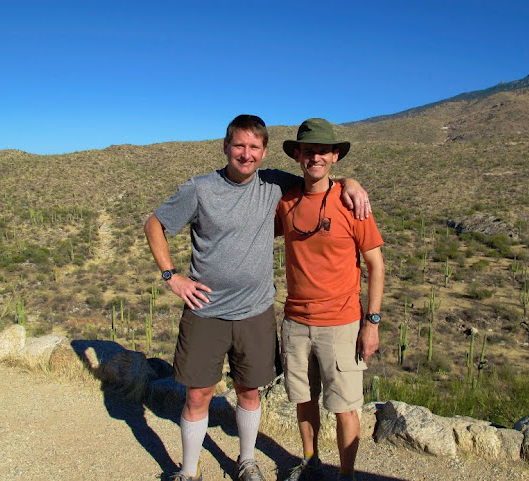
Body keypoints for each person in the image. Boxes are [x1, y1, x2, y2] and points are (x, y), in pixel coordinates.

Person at [143, 114, 371, 481]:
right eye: (239, 146)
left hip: (255, 312)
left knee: (249, 392)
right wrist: (172, 277)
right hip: (206, 312)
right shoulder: (200, 189)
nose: (245, 154)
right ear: (226, 147)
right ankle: (188, 470)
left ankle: (247, 462)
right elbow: (155, 223)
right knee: (198, 395)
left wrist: (351, 183)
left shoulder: (274, 184)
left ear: (264, 152)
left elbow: (318, 181)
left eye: (253, 147)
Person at [275, 118, 385, 481]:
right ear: (298, 156)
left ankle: (347, 475)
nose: (315, 157)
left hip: (341, 323)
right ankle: (310, 461)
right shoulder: (287, 200)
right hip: (295, 321)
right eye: (308, 151)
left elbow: (375, 265)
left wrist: (371, 324)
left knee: (344, 407)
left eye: (323, 151)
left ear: (335, 155)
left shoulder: (352, 203)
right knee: (303, 400)